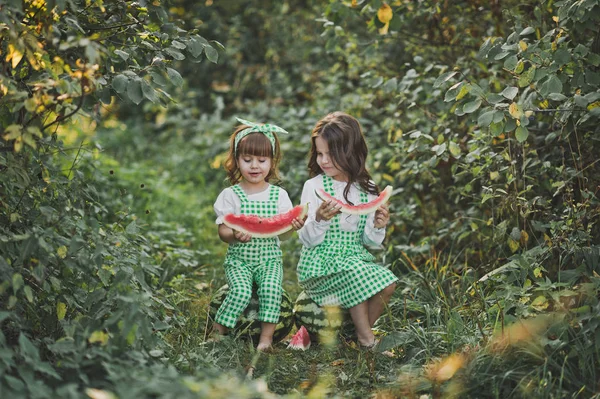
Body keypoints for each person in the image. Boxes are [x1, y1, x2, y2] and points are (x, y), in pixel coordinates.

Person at [296, 111, 398, 349]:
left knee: (389, 285)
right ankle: (366, 340)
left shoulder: (368, 188)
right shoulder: (314, 186)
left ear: (350, 151)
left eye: (330, 154)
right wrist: (319, 219)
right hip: (319, 263)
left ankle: (352, 336)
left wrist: (377, 225)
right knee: (356, 276)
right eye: (319, 154)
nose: (323, 161)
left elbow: (370, 243)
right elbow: (306, 240)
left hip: (354, 257)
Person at [213, 117, 304, 351]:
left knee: (272, 291)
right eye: (247, 159)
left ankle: (266, 340)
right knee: (240, 293)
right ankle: (217, 333)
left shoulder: (279, 196)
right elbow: (223, 230)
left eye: (262, 160)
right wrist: (234, 233)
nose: (255, 166)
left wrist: (291, 227)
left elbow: (282, 235)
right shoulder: (230, 195)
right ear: (236, 161)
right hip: (239, 260)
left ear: (272, 162)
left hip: (269, 260)